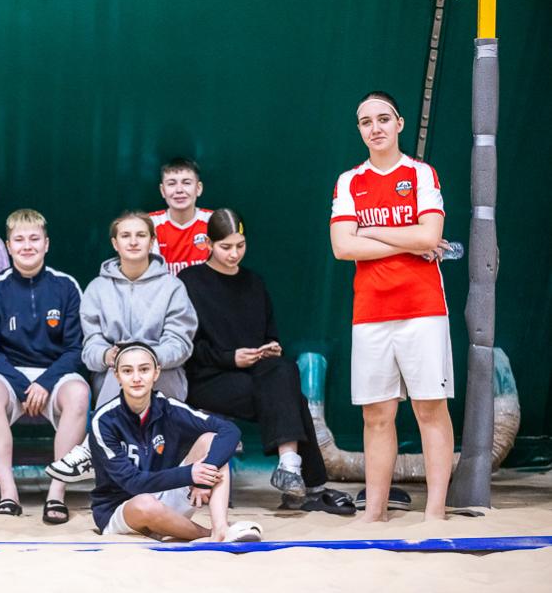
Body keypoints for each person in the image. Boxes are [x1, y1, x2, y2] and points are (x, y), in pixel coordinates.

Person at [329, 91, 454, 522]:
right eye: (366, 122)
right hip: (370, 312)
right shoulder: (350, 181)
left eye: (383, 119)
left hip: (423, 308)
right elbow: (343, 247)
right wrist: (407, 239)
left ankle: (435, 512)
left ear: (399, 123)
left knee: (429, 408)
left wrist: (370, 231)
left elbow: (429, 236)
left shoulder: (421, 174)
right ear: (359, 130)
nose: (375, 128)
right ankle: (375, 513)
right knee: (377, 415)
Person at [178, 209, 353, 514]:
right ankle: (308, 483)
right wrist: (231, 358)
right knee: (290, 395)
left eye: (240, 245)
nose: (234, 254)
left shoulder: (254, 282)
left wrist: (269, 349)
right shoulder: (189, 281)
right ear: (208, 244)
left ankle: (291, 469)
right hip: (207, 379)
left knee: (282, 370)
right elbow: (187, 348)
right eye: (226, 247)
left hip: (256, 375)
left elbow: (270, 335)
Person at [45, 211, 197, 483]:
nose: (133, 241)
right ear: (115, 243)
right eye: (126, 236)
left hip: (164, 376)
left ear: (152, 241)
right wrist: (108, 355)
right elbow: (89, 348)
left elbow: (181, 344)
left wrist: (146, 357)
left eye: (141, 235)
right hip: (112, 379)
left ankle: (91, 448)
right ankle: (99, 454)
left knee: (133, 367)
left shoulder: (173, 287)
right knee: (124, 371)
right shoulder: (97, 288)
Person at [0, 209, 89, 524]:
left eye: (34, 239)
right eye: (19, 239)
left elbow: (76, 348)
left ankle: (57, 492)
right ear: (8, 246)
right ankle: (8, 493)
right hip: (10, 377)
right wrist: (23, 387)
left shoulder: (66, 286)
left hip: (54, 376)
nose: (27, 246)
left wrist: (45, 383)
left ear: (46, 244)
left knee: (79, 393)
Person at [89, 342, 262, 542]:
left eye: (144, 369)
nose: (136, 378)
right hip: (122, 511)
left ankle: (220, 527)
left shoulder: (170, 408)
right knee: (145, 503)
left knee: (211, 441)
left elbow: (229, 430)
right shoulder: (103, 420)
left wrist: (204, 473)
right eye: (128, 371)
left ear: (156, 373)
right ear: (117, 376)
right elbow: (133, 483)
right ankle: (208, 534)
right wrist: (190, 474)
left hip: (166, 497)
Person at [149, 158, 213, 275]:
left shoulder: (213, 221)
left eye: (186, 183)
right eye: (171, 184)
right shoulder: (150, 223)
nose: (179, 190)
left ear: (198, 188)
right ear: (163, 190)